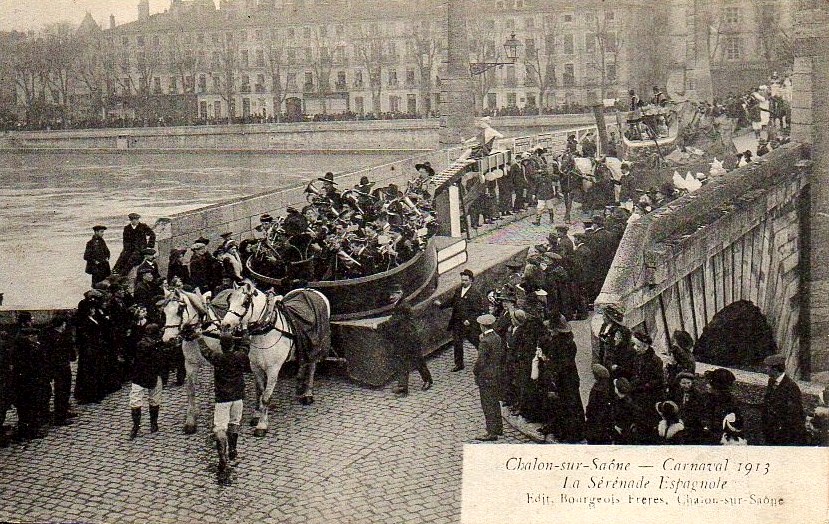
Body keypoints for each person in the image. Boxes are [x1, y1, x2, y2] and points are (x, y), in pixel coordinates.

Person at [195, 329, 251, 485]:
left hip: (222, 399)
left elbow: (206, 351)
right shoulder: (240, 356)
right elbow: (246, 346)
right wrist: (245, 332)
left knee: (220, 428)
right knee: (234, 424)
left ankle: (223, 458)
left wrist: (200, 338)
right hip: (238, 398)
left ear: (221, 345)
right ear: (233, 344)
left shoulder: (217, 358)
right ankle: (233, 449)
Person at [377, 284, 433, 396]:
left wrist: (378, 326)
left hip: (410, 339)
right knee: (402, 363)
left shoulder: (403, 306)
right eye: (390, 294)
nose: (391, 297)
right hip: (402, 339)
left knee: (418, 361)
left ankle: (428, 380)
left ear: (400, 293)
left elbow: (394, 321)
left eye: (394, 294)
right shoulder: (399, 304)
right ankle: (403, 388)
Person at [434, 269, 484, 372]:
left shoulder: (475, 294)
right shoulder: (458, 290)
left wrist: (470, 320)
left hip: (468, 324)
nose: (463, 282)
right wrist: (441, 305)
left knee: (475, 341)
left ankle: (485, 359)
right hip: (457, 322)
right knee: (457, 343)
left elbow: (478, 310)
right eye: (462, 280)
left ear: (471, 280)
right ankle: (459, 364)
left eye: (465, 280)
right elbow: (453, 301)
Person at [12, 312, 51, 440]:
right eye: (32, 335)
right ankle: (28, 431)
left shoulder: (27, 343)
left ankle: (31, 428)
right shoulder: (23, 344)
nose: (34, 338)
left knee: (30, 404)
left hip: (29, 379)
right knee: (27, 405)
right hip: (26, 380)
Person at [761, 353, 807, 445]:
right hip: (771, 431)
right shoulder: (771, 381)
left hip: (784, 434)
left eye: (767, 367)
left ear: (775, 369)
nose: (765, 369)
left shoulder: (791, 387)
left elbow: (794, 413)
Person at [41, 315, 77, 426]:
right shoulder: (61, 337)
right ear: (62, 324)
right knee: (62, 392)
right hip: (62, 367)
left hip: (56, 367)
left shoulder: (50, 334)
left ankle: (63, 411)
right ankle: (60, 417)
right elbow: (71, 354)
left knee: (61, 391)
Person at [473, 314, 503, 441]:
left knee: (487, 404)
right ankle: (498, 428)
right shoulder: (496, 337)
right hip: (496, 374)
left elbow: (481, 362)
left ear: (482, 327)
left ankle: (491, 432)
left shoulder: (485, 342)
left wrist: (475, 371)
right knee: (495, 402)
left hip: (486, 376)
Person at [585, 363, 613, 444]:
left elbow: (591, 404)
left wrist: (588, 413)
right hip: (603, 419)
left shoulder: (596, 389)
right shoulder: (607, 387)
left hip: (595, 420)